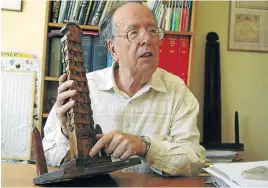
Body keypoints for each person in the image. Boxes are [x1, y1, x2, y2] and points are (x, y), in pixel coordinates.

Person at [43, 1, 206, 176]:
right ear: (113, 49)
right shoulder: (82, 89)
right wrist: (68, 135)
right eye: (133, 33)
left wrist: (146, 147)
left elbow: (194, 161)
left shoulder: (178, 91)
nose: (147, 39)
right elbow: (48, 154)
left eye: (152, 31)